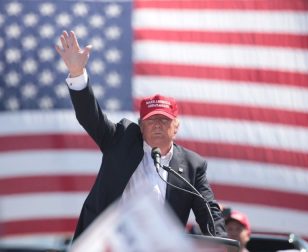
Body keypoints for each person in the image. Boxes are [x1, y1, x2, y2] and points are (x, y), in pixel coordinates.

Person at [55, 30, 225, 240]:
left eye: (164, 120)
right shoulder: (120, 139)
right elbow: (89, 116)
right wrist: (77, 73)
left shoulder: (192, 165)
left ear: (176, 126)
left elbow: (208, 210)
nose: (157, 125)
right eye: (151, 120)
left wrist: (221, 242)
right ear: (140, 125)